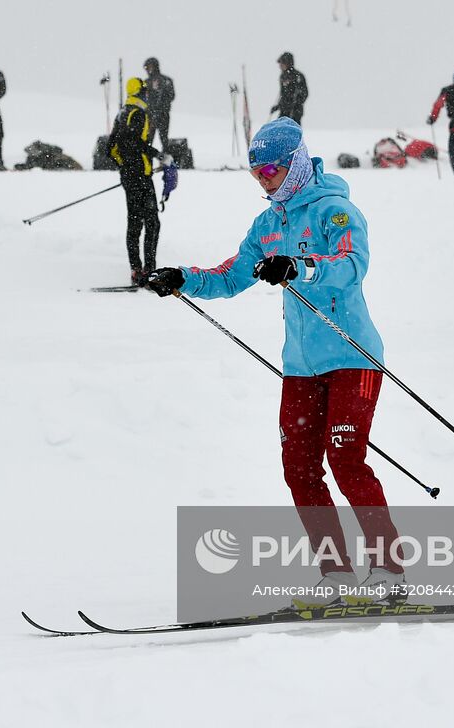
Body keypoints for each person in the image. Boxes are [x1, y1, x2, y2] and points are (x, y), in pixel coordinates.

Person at [144, 118, 406, 608]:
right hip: (301, 368)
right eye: (257, 172)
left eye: (273, 168)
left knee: (346, 460)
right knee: (300, 467)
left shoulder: (335, 210)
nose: (265, 179)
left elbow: (351, 267)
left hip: (353, 356)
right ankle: (337, 576)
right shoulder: (268, 226)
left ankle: (389, 570)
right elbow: (230, 275)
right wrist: (182, 277)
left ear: (298, 162)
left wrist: (301, 267)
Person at [107, 77, 166, 285]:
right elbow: (135, 143)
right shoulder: (138, 113)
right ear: (141, 92)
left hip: (129, 177)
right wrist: (155, 154)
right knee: (152, 223)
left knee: (133, 222)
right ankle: (150, 269)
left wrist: (125, 168)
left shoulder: (121, 114)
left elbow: (110, 148)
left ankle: (136, 270)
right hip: (142, 177)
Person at [143, 57, 177, 151]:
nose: (148, 70)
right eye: (146, 68)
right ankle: (148, 163)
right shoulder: (146, 82)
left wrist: (161, 103)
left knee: (163, 140)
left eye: (149, 67)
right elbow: (142, 98)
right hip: (151, 115)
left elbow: (171, 96)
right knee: (148, 140)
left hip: (162, 114)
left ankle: (164, 163)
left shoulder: (166, 80)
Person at [270, 51, 309, 125]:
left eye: (282, 63)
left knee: (293, 131)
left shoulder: (298, 76)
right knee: (280, 130)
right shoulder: (283, 76)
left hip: (295, 111)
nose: (280, 66)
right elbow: (283, 95)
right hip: (284, 111)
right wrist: (278, 106)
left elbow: (305, 93)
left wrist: (296, 102)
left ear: (287, 63)